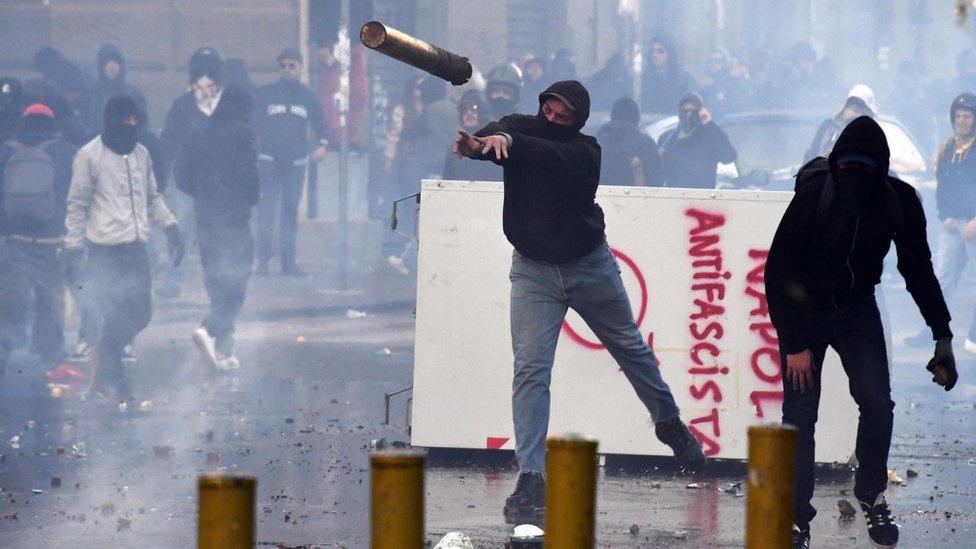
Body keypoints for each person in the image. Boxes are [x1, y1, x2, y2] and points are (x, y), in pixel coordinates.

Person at [452, 80, 706, 524]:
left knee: (630, 347)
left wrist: (506, 141)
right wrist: (479, 146)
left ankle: (668, 421)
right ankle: (531, 474)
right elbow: (499, 134)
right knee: (531, 370)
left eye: (562, 117)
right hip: (533, 269)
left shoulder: (585, 151)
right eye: (547, 112)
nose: (551, 121)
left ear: (578, 123)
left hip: (590, 267)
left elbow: (536, 151)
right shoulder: (519, 127)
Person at [765, 116, 958, 549]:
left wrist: (942, 335)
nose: (855, 177)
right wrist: (795, 345)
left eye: (865, 169)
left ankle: (870, 495)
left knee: (877, 402)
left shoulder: (900, 202)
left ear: (881, 169)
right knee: (800, 415)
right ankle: (797, 518)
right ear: (836, 165)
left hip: (856, 310)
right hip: (805, 311)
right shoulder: (816, 194)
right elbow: (778, 272)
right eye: (847, 166)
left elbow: (919, 271)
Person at [65, 96, 184, 402]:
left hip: (136, 249)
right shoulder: (88, 156)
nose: (130, 129)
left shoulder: (141, 154)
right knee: (113, 313)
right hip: (103, 252)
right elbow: (77, 205)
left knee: (140, 313)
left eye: (135, 123)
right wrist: (74, 247)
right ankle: (118, 387)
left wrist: (170, 227)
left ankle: (105, 358)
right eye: (125, 123)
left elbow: (152, 196)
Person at [175, 86, 259, 370]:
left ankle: (224, 348)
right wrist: (253, 196)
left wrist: (201, 195)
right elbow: (249, 173)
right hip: (235, 217)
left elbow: (182, 177)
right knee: (237, 279)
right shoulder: (243, 133)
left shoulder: (199, 133)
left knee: (216, 280)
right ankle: (209, 328)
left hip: (206, 218)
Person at [0, 103, 75, 377]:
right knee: (51, 303)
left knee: (8, 307)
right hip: (52, 244)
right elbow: (72, 196)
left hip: (14, 243)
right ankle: (49, 362)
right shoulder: (64, 152)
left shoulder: (6, 151)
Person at [906, 93, 976, 352]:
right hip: (951, 224)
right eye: (958, 116)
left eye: (967, 116)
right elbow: (942, 186)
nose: (962, 121)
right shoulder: (946, 147)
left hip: (973, 224)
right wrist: (943, 215)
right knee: (942, 279)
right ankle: (933, 331)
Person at [254, 48, 328, 277]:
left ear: (300, 67)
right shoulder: (265, 94)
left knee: (289, 213)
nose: (287, 69)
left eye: (291, 65)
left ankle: (288, 264)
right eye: (283, 65)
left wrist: (322, 146)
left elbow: (321, 126)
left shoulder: (308, 97)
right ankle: (263, 264)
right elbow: (252, 124)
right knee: (266, 213)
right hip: (268, 163)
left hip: (296, 164)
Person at [159, 46, 224, 298]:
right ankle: (174, 282)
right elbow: (168, 141)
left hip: (218, 182)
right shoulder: (183, 105)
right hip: (187, 182)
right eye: (201, 72)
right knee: (181, 233)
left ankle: (220, 282)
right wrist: (161, 176)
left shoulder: (226, 105)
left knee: (217, 235)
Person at [658, 93, 737, 188]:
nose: (688, 114)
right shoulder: (667, 138)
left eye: (692, 111)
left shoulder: (709, 137)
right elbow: (657, 170)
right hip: (674, 197)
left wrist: (710, 124)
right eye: (685, 111)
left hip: (700, 197)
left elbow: (729, 156)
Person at [596, 97, 663, 186]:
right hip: (635, 199)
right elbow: (657, 182)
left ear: (612, 116)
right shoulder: (646, 144)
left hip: (600, 198)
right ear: (637, 117)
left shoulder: (597, 143)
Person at [804, 85, 877, 162]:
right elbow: (812, 153)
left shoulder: (869, 134)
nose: (857, 114)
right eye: (853, 107)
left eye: (861, 110)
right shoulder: (828, 126)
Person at [442, 90, 500, 182]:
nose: (469, 114)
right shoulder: (456, 147)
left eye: (474, 109)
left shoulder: (494, 143)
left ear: (483, 112)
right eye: (464, 110)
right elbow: (447, 182)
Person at [90, 44, 145, 134]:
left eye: (116, 62)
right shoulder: (91, 93)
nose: (112, 66)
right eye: (108, 62)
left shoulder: (133, 94)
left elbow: (141, 123)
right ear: (101, 66)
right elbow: (88, 123)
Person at [640, 36, 697, 115]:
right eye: (653, 51)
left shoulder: (684, 79)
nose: (655, 55)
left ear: (670, 55)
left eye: (660, 51)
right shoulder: (645, 79)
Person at [699, 47, 750, 117]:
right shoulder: (704, 83)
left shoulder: (735, 83)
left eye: (718, 61)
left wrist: (715, 86)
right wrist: (702, 89)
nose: (713, 64)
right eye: (710, 61)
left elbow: (735, 108)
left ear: (726, 63)